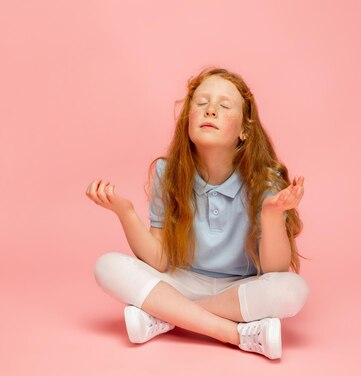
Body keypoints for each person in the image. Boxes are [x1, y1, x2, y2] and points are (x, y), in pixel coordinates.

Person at [85, 67, 309, 360]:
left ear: (244, 130)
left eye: (224, 106)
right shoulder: (168, 173)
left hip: (239, 287)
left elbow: (274, 271)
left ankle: (164, 316)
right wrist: (125, 212)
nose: (211, 110)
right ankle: (236, 334)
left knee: (292, 290)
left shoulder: (265, 182)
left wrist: (271, 215)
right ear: (188, 121)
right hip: (182, 282)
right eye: (201, 103)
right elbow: (160, 259)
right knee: (107, 266)